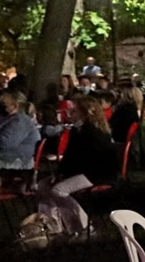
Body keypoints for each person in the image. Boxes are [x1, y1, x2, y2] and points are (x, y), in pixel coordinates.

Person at [37, 96, 120, 234]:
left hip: (97, 173)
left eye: (74, 111)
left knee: (59, 190)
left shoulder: (93, 133)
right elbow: (70, 156)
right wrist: (59, 173)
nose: (70, 114)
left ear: (85, 113)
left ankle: (83, 225)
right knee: (43, 185)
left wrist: (64, 176)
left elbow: (89, 161)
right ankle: (52, 224)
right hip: (82, 171)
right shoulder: (77, 130)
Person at [0, 90, 41, 171]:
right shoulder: (11, 118)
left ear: (14, 106)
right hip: (9, 156)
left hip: (15, 160)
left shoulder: (20, 121)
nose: (1, 105)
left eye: (4, 103)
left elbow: (5, 143)